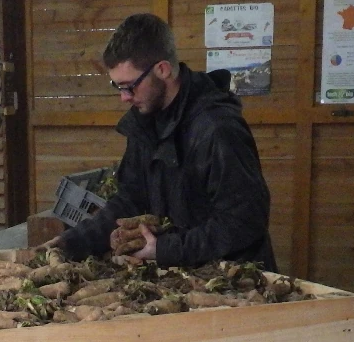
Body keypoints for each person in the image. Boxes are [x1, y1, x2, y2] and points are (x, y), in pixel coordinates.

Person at [48, 13, 277, 271]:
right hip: (185, 273)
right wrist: (71, 243)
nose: (124, 97)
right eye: (118, 87)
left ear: (162, 70)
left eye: (130, 86)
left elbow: (244, 221)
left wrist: (165, 249)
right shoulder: (146, 123)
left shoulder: (217, 129)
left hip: (237, 278)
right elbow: (130, 200)